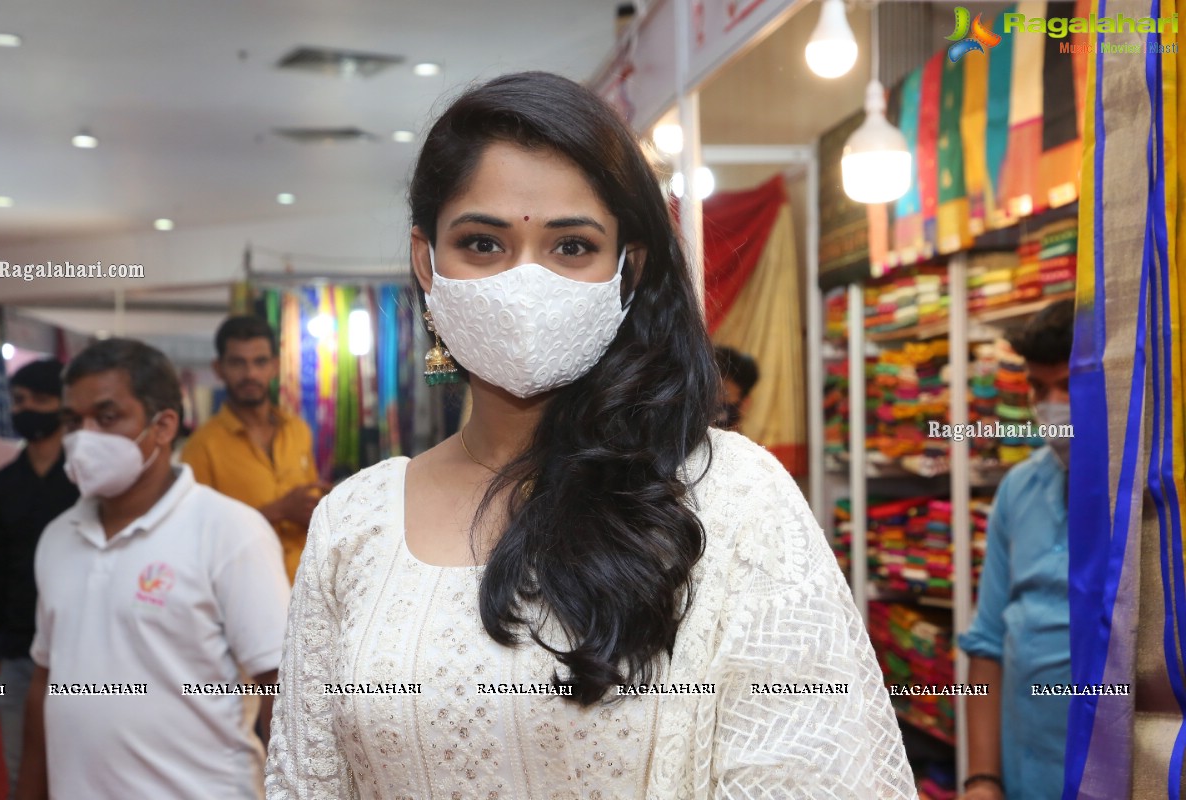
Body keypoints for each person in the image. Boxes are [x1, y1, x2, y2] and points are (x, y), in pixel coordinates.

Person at [265, 71, 915, 799]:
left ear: (627, 271)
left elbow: (817, 777)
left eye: (571, 247)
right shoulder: (353, 521)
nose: (525, 283)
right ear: (427, 260)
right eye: (483, 242)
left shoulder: (731, 496)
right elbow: (305, 781)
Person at [16, 339, 290, 800]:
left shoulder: (228, 531)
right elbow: (45, 683)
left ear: (162, 426)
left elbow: (282, 688)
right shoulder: (57, 538)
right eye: (72, 422)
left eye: (106, 418)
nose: (82, 438)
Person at [957, 299, 1075, 800]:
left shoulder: (1154, 500)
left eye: (1069, 386)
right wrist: (983, 779)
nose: (1052, 405)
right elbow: (987, 641)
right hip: (1024, 770)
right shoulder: (1020, 487)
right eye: (1038, 389)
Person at [0, 360, 78, 799]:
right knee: (22, 769)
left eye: (40, 400)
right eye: (20, 401)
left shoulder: (85, 480)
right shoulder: (5, 483)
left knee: (81, 767)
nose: (28, 409)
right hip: (21, 647)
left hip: (84, 650)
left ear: (63, 406)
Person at [181, 315, 326, 583]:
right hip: (242, 590)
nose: (250, 374)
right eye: (238, 363)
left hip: (304, 587)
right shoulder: (201, 448)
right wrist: (278, 510)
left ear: (274, 366)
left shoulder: (297, 430)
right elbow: (193, 537)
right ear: (219, 368)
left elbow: (309, 508)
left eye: (260, 362)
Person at [713, 345, 759, 431]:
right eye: (708, 393)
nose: (715, 399)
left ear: (745, 404)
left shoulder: (746, 445)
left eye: (723, 393)